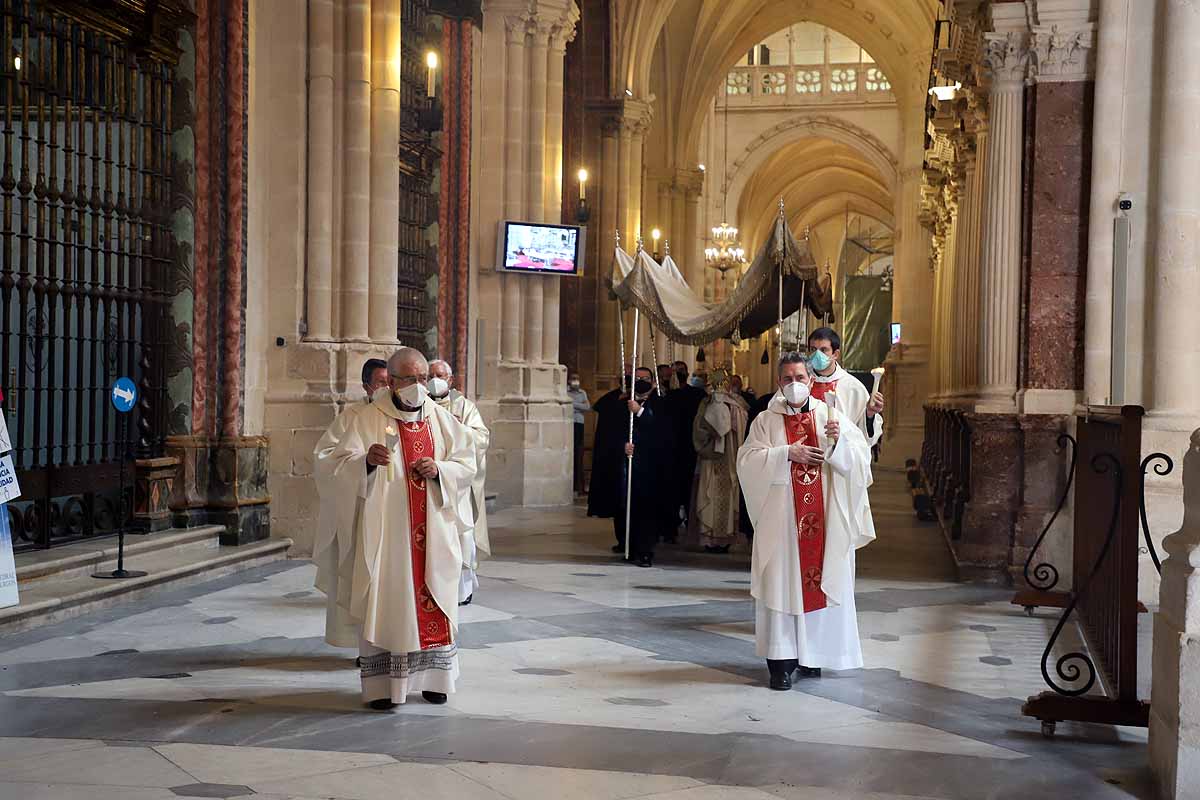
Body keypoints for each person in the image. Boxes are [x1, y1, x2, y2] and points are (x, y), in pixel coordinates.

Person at [313, 347, 478, 709]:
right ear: (392, 380)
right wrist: (365, 464)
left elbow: (467, 463)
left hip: (433, 534)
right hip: (387, 540)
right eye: (409, 379)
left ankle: (436, 681)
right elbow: (332, 466)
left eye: (422, 379)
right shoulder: (366, 419)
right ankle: (383, 688)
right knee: (387, 600)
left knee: (435, 596)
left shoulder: (442, 419)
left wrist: (441, 471)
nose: (418, 386)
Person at [737, 352, 875, 691]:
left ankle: (813, 656)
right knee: (782, 584)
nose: (794, 384)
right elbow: (747, 461)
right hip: (783, 522)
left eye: (800, 378)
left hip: (822, 520)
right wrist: (786, 453)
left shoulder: (831, 416)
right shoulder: (766, 421)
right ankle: (781, 663)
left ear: (810, 381)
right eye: (787, 379)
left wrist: (840, 440)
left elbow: (860, 462)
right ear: (779, 383)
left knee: (819, 582)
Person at [429, 359, 490, 606]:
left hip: (457, 483)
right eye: (430, 374)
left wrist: (457, 427)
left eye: (440, 375)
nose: (435, 379)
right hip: (431, 479)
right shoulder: (417, 405)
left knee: (462, 535)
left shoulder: (463, 406)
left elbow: (481, 437)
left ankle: (462, 591)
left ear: (451, 380)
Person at [691, 369, 749, 553]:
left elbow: (708, 426)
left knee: (712, 491)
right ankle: (721, 538)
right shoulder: (737, 403)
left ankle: (713, 536)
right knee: (725, 492)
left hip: (719, 456)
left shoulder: (715, 402)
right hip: (726, 456)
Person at [617, 367, 666, 567]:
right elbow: (613, 431)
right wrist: (623, 446)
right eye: (638, 378)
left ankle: (646, 551)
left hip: (651, 465)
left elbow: (661, 430)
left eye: (646, 378)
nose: (642, 381)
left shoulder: (660, 402)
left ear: (652, 381)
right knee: (629, 508)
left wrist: (640, 412)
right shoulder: (623, 402)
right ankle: (630, 546)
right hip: (629, 465)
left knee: (646, 510)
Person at [807, 327, 884, 447]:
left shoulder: (853, 387)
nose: (817, 355)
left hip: (839, 458)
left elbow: (864, 437)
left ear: (835, 354)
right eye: (813, 349)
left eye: (823, 350)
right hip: (805, 456)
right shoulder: (800, 382)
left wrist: (869, 414)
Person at [587, 365, 633, 546]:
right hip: (614, 458)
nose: (627, 377)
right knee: (618, 502)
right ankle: (622, 540)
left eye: (630, 374)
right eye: (624, 374)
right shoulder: (611, 399)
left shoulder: (640, 400)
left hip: (634, 456)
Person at [667, 360, 706, 532]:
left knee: (690, 487)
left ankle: (691, 522)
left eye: (681, 370)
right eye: (675, 371)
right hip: (671, 447)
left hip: (691, 446)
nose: (679, 373)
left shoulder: (697, 394)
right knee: (671, 488)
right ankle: (671, 524)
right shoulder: (667, 395)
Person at [567, 373, 591, 496]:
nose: (575, 381)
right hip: (568, 424)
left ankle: (578, 486)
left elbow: (587, 407)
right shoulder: (565, 392)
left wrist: (573, 405)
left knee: (578, 453)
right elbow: (565, 406)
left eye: (577, 379)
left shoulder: (582, 393)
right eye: (573, 379)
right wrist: (578, 406)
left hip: (579, 424)